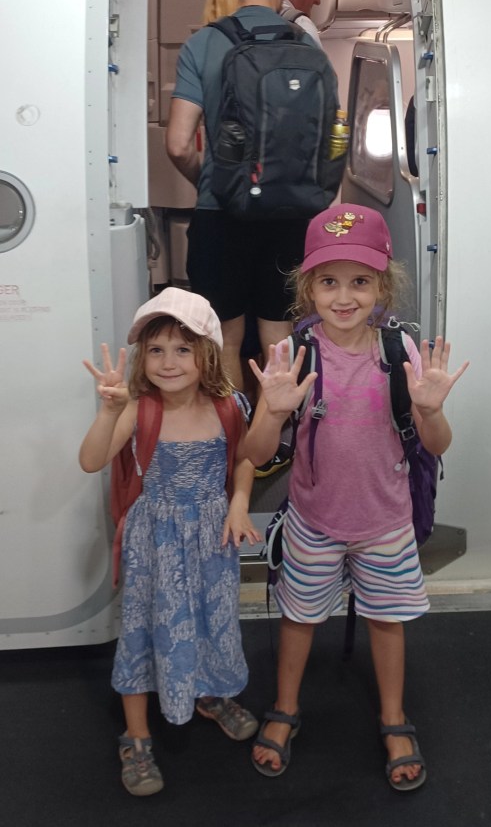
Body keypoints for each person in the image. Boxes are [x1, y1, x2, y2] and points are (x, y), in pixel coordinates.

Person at [243, 204, 469, 789]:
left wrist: (431, 409)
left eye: (360, 281)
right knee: (298, 618)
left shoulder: (400, 354)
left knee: (387, 621)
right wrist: (272, 410)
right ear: (308, 288)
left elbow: (436, 444)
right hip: (313, 521)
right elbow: (254, 452)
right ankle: (287, 707)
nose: (344, 297)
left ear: (382, 286)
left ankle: (393, 715)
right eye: (328, 281)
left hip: (386, 523)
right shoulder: (294, 356)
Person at [79, 287, 261, 797]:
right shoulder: (139, 409)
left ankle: (210, 693)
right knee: (143, 629)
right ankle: (136, 737)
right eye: (156, 349)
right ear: (143, 357)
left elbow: (245, 458)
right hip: (153, 544)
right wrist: (108, 412)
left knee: (212, 619)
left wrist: (240, 502)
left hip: (211, 539)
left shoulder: (228, 406)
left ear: (206, 352)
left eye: (182, 349)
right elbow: (92, 461)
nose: (168, 361)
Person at [166, 0, 333, 393]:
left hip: (222, 213)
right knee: (279, 335)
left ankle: (239, 448)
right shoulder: (306, 43)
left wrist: (214, 181)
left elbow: (179, 144)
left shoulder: (202, 45)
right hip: (289, 212)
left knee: (225, 339)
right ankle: (276, 444)